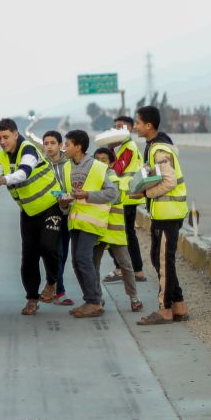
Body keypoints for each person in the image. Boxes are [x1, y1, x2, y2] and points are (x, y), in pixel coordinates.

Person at [0, 118, 62, 315]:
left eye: (6, 137)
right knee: (28, 258)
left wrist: (5, 179)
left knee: (48, 247)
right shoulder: (1, 158)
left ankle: (52, 282)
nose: (2, 141)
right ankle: (32, 299)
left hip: (51, 206)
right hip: (28, 212)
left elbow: (24, 173)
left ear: (16, 135)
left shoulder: (28, 149)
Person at [131, 105, 190, 325]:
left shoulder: (160, 150)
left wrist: (146, 193)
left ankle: (165, 310)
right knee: (159, 258)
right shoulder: (154, 146)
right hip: (164, 213)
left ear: (149, 125)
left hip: (168, 213)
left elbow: (169, 181)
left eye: (137, 122)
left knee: (164, 262)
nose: (135, 126)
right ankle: (179, 305)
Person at [58, 130, 117, 318]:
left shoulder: (98, 167)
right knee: (76, 262)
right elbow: (68, 196)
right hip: (75, 221)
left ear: (79, 147)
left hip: (92, 221)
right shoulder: (66, 168)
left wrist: (88, 195)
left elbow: (112, 194)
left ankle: (93, 302)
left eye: (67, 144)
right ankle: (92, 299)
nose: (63, 148)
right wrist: (64, 203)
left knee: (83, 259)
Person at [92, 148, 143, 312]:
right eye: (97, 159)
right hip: (98, 229)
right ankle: (97, 297)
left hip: (114, 230)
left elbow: (112, 198)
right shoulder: (92, 179)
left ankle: (134, 297)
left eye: (104, 159)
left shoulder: (115, 179)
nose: (100, 162)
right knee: (93, 265)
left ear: (112, 163)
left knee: (126, 265)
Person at [102, 115, 148, 283]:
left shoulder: (128, 146)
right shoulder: (124, 146)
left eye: (121, 126)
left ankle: (123, 269)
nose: (117, 129)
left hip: (125, 197)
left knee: (117, 234)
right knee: (128, 233)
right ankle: (137, 271)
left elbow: (118, 169)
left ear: (129, 128)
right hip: (126, 197)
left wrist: (109, 151)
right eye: (115, 126)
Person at [42, 130, 73, 306]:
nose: (49, 146)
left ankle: (54, 287)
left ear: (60, 145)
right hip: (48, 214)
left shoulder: (69, 163)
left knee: (63, 253)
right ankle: (58, 290)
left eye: (53, 143)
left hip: (67, 212)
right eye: (46, 143)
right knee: (54, 252)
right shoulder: (41, 164)